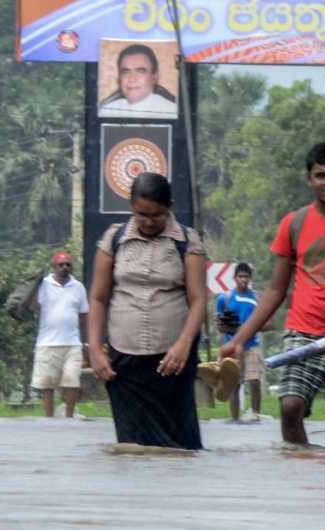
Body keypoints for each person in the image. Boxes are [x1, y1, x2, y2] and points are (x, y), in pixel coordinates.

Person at [219, 142, 325, 451]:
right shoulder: (293, 223)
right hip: (302, 336)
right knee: (290, 407)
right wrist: (238, 341)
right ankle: (302, 480)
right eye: (321, 175)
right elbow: (275, 291)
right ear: (308, 179)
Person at [87, 172, 208, 450]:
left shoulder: (187, 242)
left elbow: (199, 299)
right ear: (131, 206)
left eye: (156, 215)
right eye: (141, 214)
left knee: (180, 446)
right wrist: (94, 348)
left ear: (170, 207)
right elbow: (98, 298)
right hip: (124, 364)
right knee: (131, 447)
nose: (149, 222)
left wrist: (184, 344)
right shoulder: (113, 239)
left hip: (172, 361)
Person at [29, 252, 89, 418]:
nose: (65, 268)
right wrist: (34, 283)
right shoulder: (44, 285)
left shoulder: (78, 287)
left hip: (72, 343)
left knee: (72, 381)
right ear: (53, 267)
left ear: (71, 268)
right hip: (47, 342)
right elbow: (33, 307)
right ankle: (49, 419)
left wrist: (88, 342)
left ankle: (69, 417)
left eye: (68, 265)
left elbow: (85, 315)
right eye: (61, 265)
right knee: (48, 383)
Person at [215, 262, 274, 423]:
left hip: (252, 344)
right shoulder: (225, 298)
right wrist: (229, 326)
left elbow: (271, 324)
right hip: (231, 344)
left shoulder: (257, 297)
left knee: (254, 381)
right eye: (240, 276)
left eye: (246, 276)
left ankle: (255, 415)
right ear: (234, 278)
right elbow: (220, 327)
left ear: (250, 278)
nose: (243, 279)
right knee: (234, 384)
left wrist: (248, 328)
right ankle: (235, 419)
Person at [98, 44, 178, 119]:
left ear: (154, 76)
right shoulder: (107, 110)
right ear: (119, 78)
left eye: (140, 71)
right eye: (126, 72)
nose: (132, 79)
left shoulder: (170, 110)